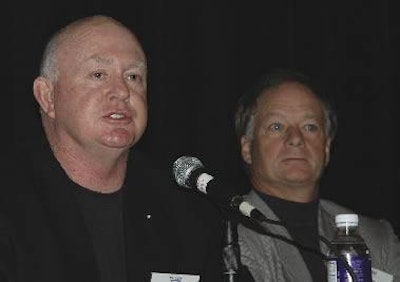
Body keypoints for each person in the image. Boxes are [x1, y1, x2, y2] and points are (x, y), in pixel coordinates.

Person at [1, 15, 225, 282]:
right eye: (98, 75)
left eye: (133, 76)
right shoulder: (11, 199)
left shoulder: (187, 210)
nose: (121, 91)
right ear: (48, 96)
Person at [233, 68, 400, 281]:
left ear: (327, 148)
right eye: (276, 126)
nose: (295, 138)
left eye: (309, 127)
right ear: (247, 149)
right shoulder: (229, 233)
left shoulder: (375, 238)